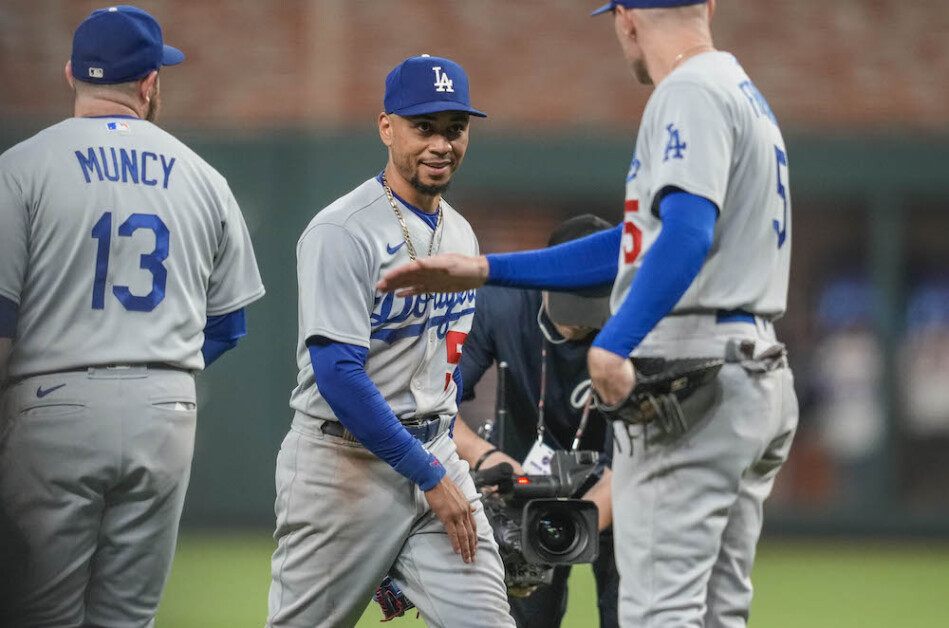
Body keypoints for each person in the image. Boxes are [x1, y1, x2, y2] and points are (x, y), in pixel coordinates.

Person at [377, 2, 799, 626]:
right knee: (717, 610)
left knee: (661, 612)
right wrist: (488, 270)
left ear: (626, 17)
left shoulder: (686, 90)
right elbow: (637, 241)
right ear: (707, 6)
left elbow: (684, 234)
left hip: (697, 369)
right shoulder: (740, 91)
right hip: (755, 372)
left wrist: (614, 342)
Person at [0, 5, 265, 626]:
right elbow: (228, 325)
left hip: (50, 403)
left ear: (71, 74)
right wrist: (156, 369)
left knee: (35, 614)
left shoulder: (21, 168)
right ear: (150, 82)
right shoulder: (205, 177)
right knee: (127, 619)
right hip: (164, 409)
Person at [266, 55, 514, 628]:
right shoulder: (342, 231)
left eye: (455, 129)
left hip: (434, 455)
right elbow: (338, 375)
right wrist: (426, 477)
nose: (441, 144)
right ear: (387, 128)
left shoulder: (459, 230)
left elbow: (438, 375)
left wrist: (444, 466)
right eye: (423, 127)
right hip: (344, 463)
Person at [453, 214, 620, 628]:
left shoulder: (635, 320)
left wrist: (562, 529)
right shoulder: (504, 304)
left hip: (620, 488)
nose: (579, 317)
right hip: (525, 492)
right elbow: (434, 408)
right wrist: (486, 454)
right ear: (544, 278)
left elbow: (640, 462)